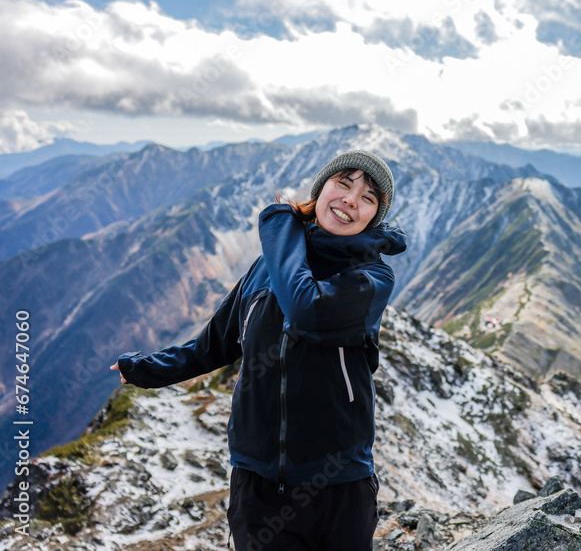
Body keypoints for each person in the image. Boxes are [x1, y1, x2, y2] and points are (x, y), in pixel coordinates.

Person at [110, 149, 407, 550]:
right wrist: (148, 369)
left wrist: (278, 228)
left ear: (374, 216)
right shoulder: (265, 269)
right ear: (321, 188)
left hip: (339, 486)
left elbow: (306, 309)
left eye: (369, 198)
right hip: (259, 485)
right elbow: (212, 345)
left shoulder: (371, 277)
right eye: (344, 182)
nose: (351, 200)